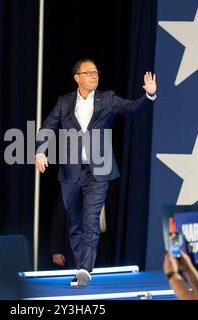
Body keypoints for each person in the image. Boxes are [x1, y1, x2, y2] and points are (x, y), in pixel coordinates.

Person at [35, 59, 157, 287]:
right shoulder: (64, 102)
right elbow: (47, 128)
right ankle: (81, 265)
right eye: (88, 72)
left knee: (91, 219)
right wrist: (40, 152)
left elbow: (132, 107)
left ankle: (84, 269)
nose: (94, 76)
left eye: (96, 72)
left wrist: (149, 96)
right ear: (77, 77)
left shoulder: (107, 98)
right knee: (74, 223)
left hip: (99, 171)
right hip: (70, 172)